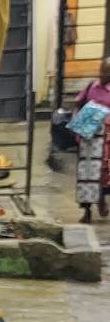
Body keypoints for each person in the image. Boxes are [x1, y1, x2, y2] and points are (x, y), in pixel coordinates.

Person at [71, 57, 110, 223]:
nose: (103, 74)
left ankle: (101, 198)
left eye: (106, 71)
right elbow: (78, 104)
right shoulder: (91, 87)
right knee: (86, 175)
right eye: (102, 70)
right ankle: (87, 211)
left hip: (107, 140)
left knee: (104, 174)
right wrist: (78, 123)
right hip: (89, 139)